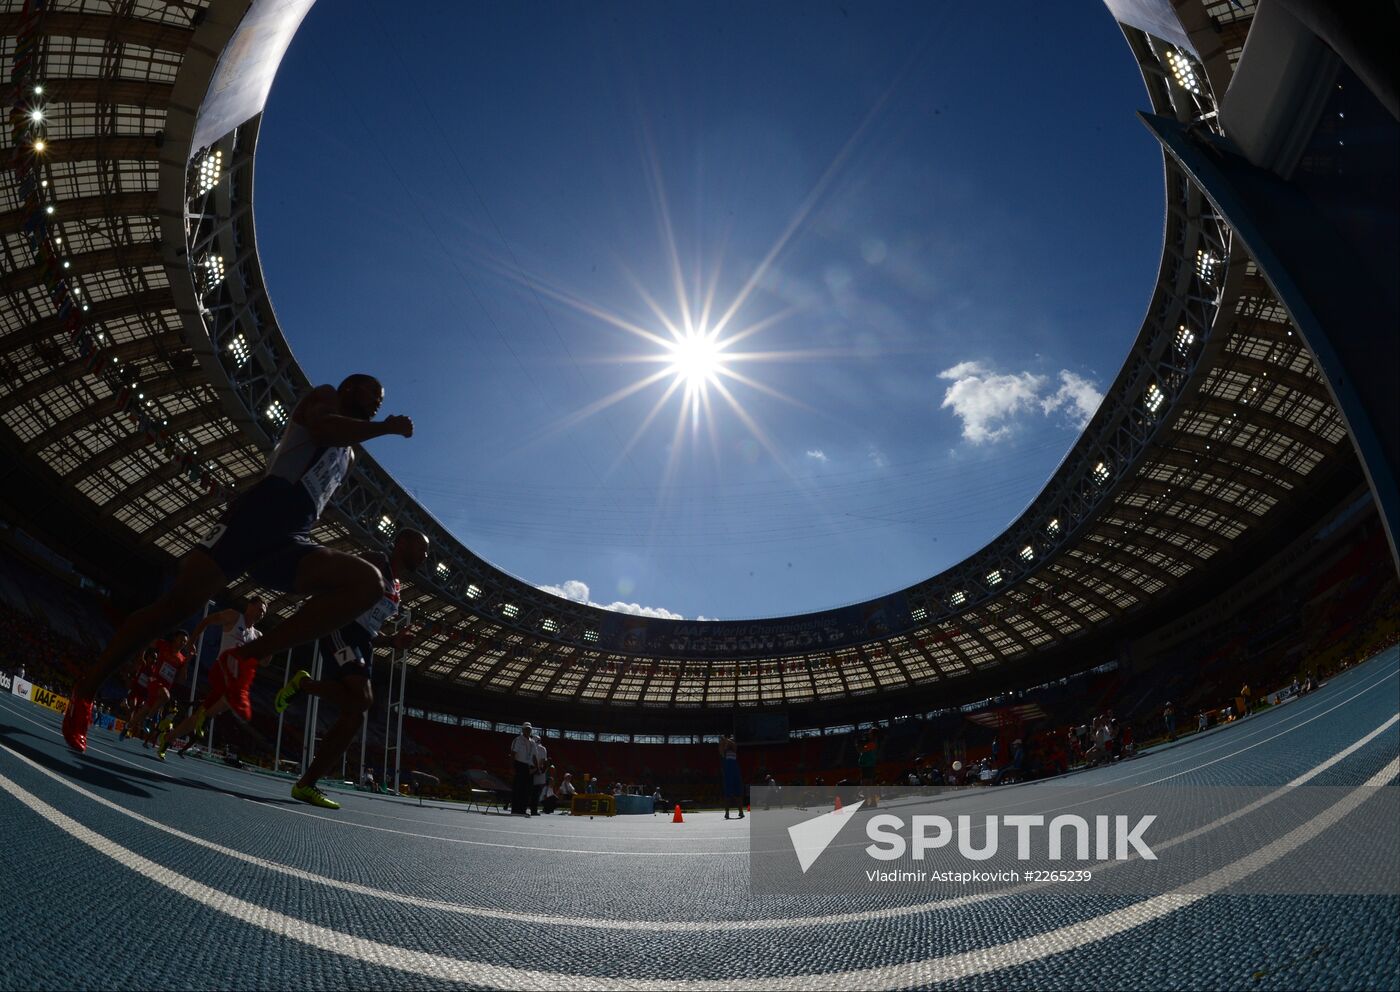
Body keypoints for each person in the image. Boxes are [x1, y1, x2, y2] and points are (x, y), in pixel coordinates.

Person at [61, 374, 413, 753]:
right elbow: (322, 429)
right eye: (373, 393)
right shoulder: (325, 398)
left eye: (382, 398)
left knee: (368, 584)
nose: (379, 400)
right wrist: (383, 428)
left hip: (292, 536)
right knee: (176, 607)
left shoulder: (351, 455)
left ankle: (245, 658)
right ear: (350, 388)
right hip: (255, 517)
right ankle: (87, 689)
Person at [272, 529, 428, 808]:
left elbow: (370, 631)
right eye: (422, 548)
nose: (425, 556)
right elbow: (335, 579)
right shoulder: (375, 561)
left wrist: (393, 640)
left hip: (361, 642)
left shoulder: (396, 588)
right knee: (363, 700)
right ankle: (303, 685)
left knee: (355, 716)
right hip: (341, 628)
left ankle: (306, 784)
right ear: (402, 543)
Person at [157, 598, 267, 759]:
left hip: (233, 680)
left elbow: (264, 662)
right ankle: (205, 717)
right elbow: (207, 621)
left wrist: (274, 647)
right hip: (220, 670)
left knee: (197, 717)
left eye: (264, 612)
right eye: (259, 609)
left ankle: (168, 739)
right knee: (235, 698)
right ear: (249, 606)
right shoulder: (234, 617)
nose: (261, 614)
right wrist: (191, 642)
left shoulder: (257, 635)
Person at [125, 632, 190, 748]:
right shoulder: (164, 645)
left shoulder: (182, 659)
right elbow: (148, 640)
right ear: (175, 638)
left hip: (164, 688)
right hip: (154, 681)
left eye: (185, 642)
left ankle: (128, 726)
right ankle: (148, 720)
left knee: (146, 708)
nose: (182, 643)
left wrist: (187, 662)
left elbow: (181, 680)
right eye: (181, 639)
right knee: (166, 696)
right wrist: (142, 655)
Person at [510, 723, 538, 816]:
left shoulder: (532, 742)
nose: (528, 731)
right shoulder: (518, 740)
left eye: (529, 729)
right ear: (522, 730)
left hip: (528, 767)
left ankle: (522, 809)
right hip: (519, 765)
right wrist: (512, 767)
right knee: (518, 788)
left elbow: (534, 756)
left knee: (527, 790)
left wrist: (537, 767)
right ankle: (515, 809)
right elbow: (513, 753)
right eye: (526, 729)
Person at [719, 734, 743, 820]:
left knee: (738, 793)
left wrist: (724, 739)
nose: (731, 742)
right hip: (728, 772)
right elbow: (721, 748)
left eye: (732, 740)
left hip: (735, 771)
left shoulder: (734, 747)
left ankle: (741, 812)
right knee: (727, 794)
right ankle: (727, 813)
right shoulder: (724, 751)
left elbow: (732, 744)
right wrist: (722, 741)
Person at [530, 732, 549, 817]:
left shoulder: (530, 747)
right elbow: (543, 761)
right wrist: (539, 770)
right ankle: (533, 810)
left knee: (529, 792)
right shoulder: (543, 749)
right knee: (536, 793)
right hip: (539, 773)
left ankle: (524, 808)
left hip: (531, 771)